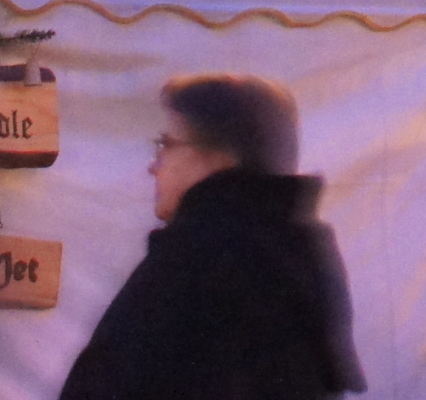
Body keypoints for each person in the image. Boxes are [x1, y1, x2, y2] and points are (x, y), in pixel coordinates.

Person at [60, 73, 364, 400]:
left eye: (167, 145)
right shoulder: (304, 252)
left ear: (221, 156)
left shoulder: (197, 255)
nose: (154, 165)